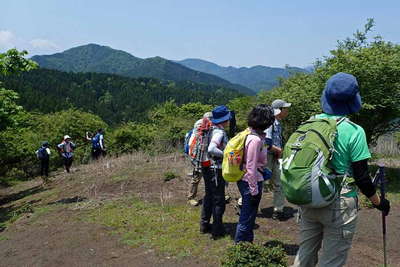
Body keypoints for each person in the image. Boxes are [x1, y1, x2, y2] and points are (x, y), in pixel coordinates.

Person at [292, 72, 391, 267]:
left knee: (304, 255)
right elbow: (362, 178)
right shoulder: (354, 131)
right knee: (331, 262)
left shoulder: (309, 124)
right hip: (339, 202)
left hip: (309, 197)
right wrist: (379, 203)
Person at [234, 104, 275, 243]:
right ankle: (239, 249)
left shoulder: (252, 134)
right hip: (250, 181)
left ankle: (247, 245)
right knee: (246, 218)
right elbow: (251, 167)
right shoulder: (255, 140)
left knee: (250, 217)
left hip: (249, 179)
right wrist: (254, 190)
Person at [200, 105, 231, 239]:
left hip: (207, 167)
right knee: (219, 200)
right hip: (215, 170)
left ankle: (204, 225)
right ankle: (217, 231)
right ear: (224, 120)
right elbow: (212, 148)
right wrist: (226, 155)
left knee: (209, 196)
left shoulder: (210, 129)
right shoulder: (219, 132)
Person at [264, 99, 291, 220]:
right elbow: (266, 142)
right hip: (267, 156)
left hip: (275, 156)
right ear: (279, 110)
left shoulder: (278, 123)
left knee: (279, 183)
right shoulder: (270, 123)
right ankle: (243, 203)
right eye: (285, 108)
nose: (287, 110)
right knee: (261, 182)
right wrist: (278, 150)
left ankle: (278, 210)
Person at [187, 112, 213, 206]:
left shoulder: (211, 127)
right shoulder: (200, 127)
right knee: (197, 177)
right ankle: (191, 197)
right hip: (198, 157)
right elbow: (197, 143)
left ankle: (212, 195)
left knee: (212, 176)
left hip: (207, 157)